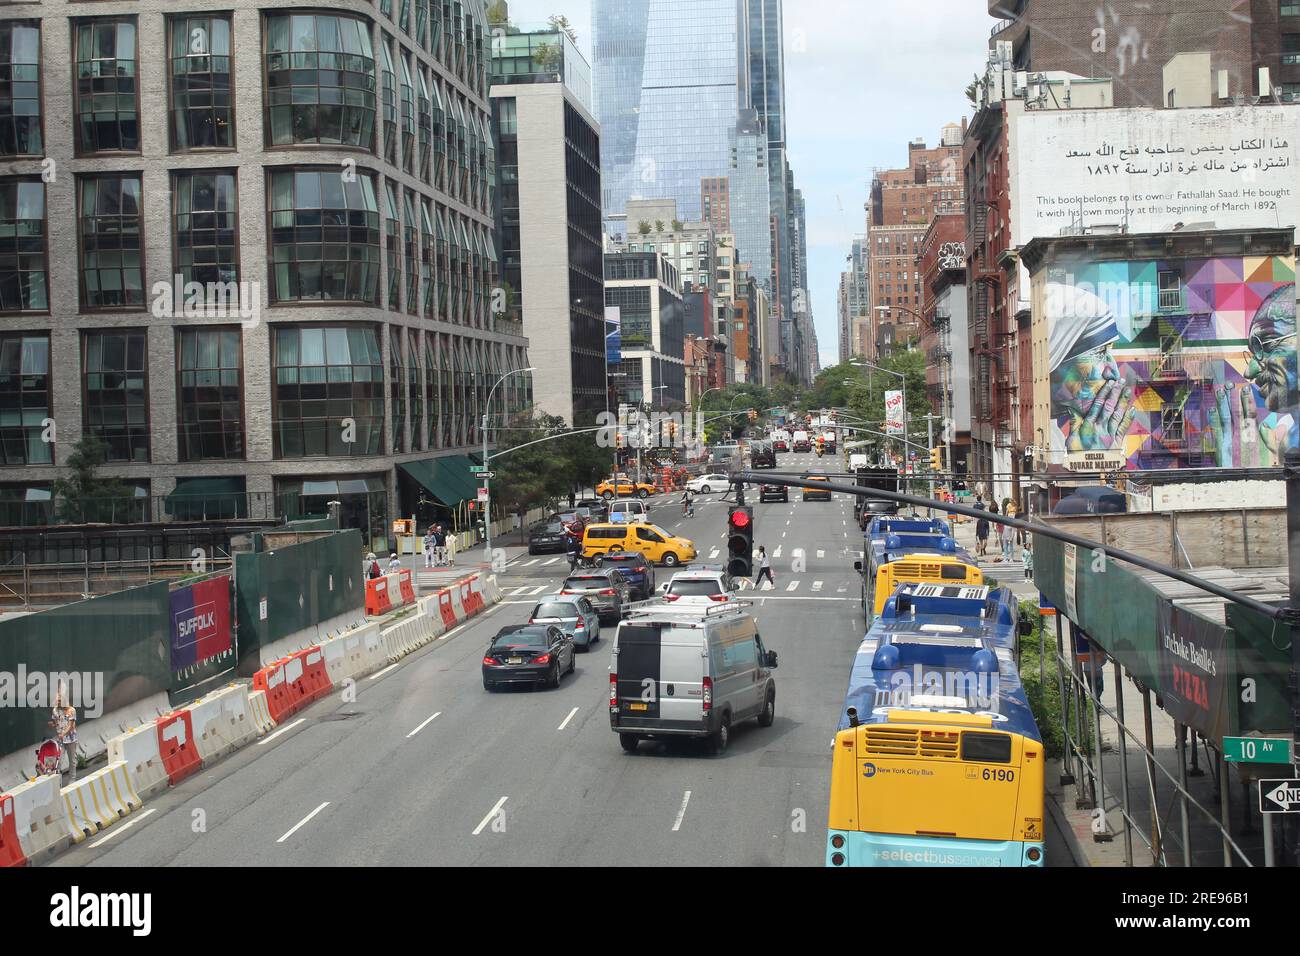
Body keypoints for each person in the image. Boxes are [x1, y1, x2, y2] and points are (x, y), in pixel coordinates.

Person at [50, 689, 77, 783]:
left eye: (60, 700)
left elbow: (71, 726)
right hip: (60, 740)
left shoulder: (71, 710)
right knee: (58, 761)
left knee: (72, 761)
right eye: (57, 700)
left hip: (70, 739)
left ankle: (72, 780)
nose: (58, 702)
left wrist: (63, 734)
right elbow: (55, 722)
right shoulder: (55, 710)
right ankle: (58, 782)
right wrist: (52, 725)